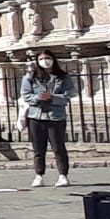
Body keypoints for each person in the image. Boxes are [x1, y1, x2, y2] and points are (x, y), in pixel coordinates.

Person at [20, 50, 74, 188]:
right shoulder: (30, 77)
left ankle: (63, 175)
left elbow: (68, 95)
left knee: (58, 147)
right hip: (36, 116)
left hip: (56, 116)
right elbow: (25, 95)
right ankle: (39, 175)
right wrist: (38, 98)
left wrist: (52, 97)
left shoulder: (62, 77)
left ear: (53, 59)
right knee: (38, 148)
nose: (45, 61)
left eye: (48, 58)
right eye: (42, 58)